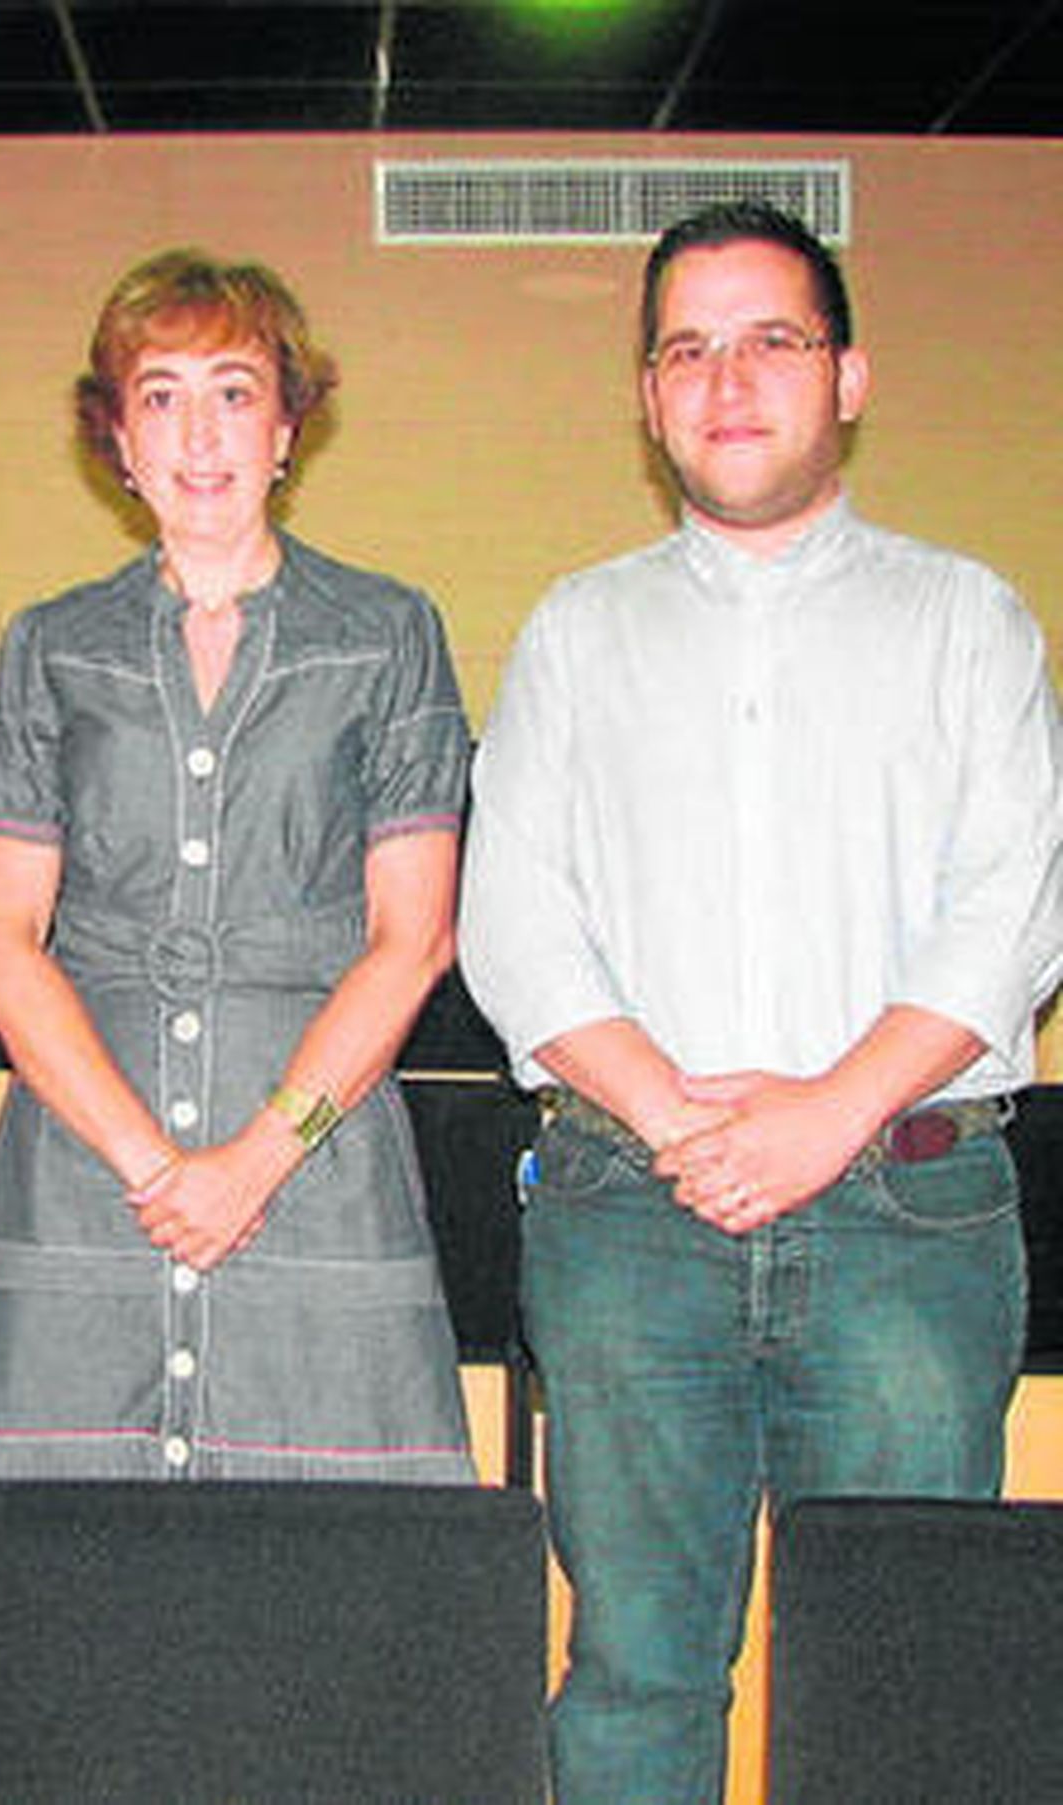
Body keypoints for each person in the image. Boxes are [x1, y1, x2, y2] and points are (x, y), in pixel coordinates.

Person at [459, 200, 1063, 1803]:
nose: (728, 380)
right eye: (687, 349)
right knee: (635, 1675)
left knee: (900, 1681)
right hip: (626, 1212)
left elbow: (1013, 915)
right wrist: (681, 1120)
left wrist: (820, 1117)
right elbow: (511, 924)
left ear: (848, 377)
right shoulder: (576, 634)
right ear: (650, 398)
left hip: (907, 1219)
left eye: (772, 340)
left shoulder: (968, 620)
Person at [0, 248, 474, 1484]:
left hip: (315, 1162)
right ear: (115, 438)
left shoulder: (388, 633)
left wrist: (252, 1163)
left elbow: (413, 939)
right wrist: (152, 1167)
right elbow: (0, 939)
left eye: (235, 391)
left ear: (289, 427)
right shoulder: (51, 645)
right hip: (83, 1163)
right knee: (64, 1586)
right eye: (160, 394)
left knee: (326, 1587)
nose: (199, 432)